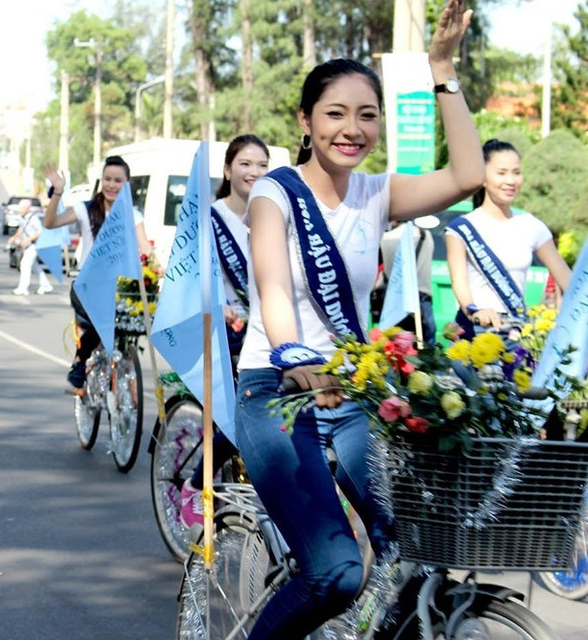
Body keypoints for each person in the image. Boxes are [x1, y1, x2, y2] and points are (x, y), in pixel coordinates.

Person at [234, 2, 484, 637]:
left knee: (414, 541)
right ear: (307, 120)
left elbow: (468, 174)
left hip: (349, 394)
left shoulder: (377, 193)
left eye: (366, 115)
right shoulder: (274, 193)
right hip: (275, 389)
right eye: (336, 113)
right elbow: (274, 293)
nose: (352, 128)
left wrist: (443, 69)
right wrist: (295, 357)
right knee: (337, 571)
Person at [179, 134, 270, 529]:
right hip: (226, 330)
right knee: (241, 415)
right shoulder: (211, 217)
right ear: (229, 169)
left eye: (262, 165)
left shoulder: (271, 211)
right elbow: (195, 274)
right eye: (246, 164)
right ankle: (196, 482)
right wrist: (220, 305)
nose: (254, 172)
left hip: (267, 325)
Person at [43, 156, 152, 389]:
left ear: (127, 183)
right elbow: (50, 223)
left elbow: (145, 249)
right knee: (101, 318)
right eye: (108, 179)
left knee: (129, 317)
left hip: (118, 286)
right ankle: (81, 361)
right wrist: (57, 193)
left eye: (118, 180)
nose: (112, 185)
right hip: (86, 284)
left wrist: (155, 267)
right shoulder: (85, 210)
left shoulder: (133, 215)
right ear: (102, 181)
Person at [446, 138, 571, 338]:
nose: (511, 181)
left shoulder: (532, 225)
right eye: (501, 173)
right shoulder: (461, 229)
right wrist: (474, 310)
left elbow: (566, 278)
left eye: (516, 172)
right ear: (483, 177)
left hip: (516, 332)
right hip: (475, 331)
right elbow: (459, 280)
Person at [375, 218, 437, 343]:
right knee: (426, 347)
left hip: (393, 300)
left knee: (395, 347)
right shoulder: (424, 235)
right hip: (420, 298)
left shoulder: (385, 238)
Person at [7, 198, 53, 296]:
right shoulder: (23, 218)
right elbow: (21, 230)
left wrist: (28, 240)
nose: (20, 210)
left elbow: (39, 232)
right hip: (28, 246)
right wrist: (14, 238)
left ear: (28, 208)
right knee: (34, 266)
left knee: (25, 264)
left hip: (35, 245)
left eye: (22, 208)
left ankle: (23, 288)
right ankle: (46, 285)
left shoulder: (33, 218)